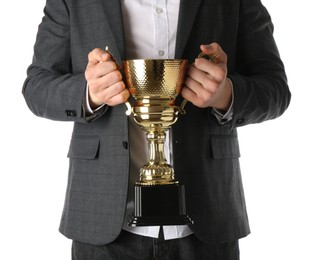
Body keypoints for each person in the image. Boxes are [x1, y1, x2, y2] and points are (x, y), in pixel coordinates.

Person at [22, 0, 291, 259]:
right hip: (102, 217)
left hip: (208, 214)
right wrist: (88, 93)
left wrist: (226, 95)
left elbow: (276, 89)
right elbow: (36, 87)